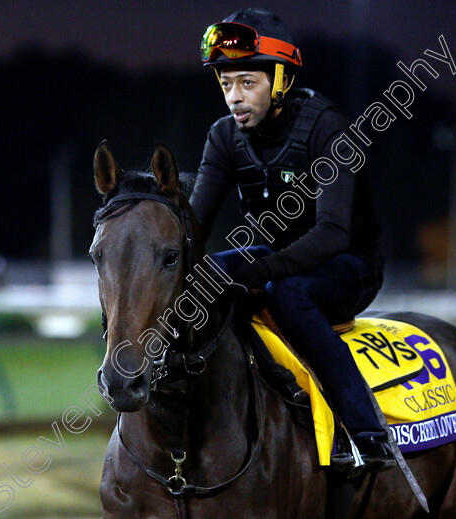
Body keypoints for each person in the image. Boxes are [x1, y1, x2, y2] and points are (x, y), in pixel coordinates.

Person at [191, 7, 394, 472]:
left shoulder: (326, 126)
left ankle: (367, 433)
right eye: (225, 85)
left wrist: (258, 272)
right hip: (276, 259)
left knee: (287, 294)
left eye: (248, 82)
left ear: (280, 79)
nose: (234, 98)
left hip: (348, 264)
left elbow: (331, 235)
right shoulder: (222, 137)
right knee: (208, 274)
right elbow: (194, 228)